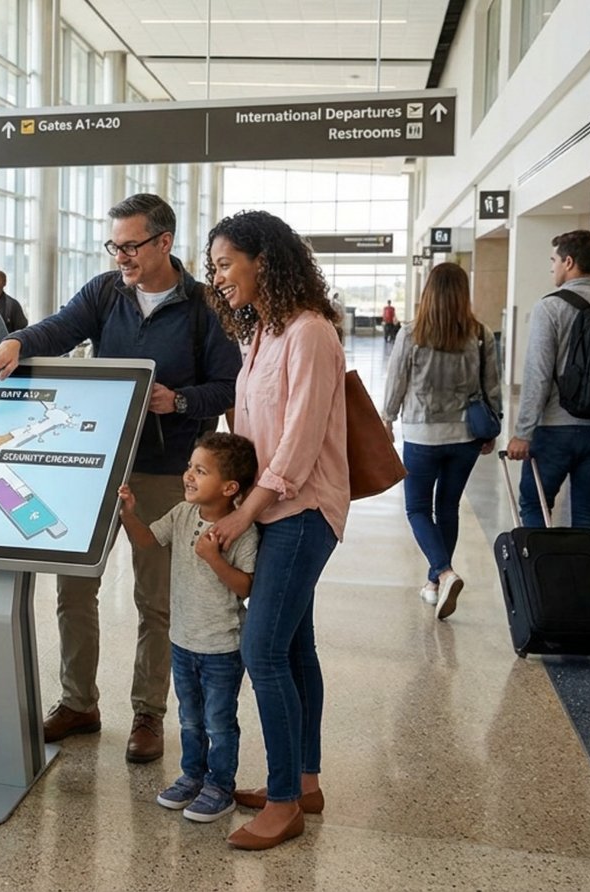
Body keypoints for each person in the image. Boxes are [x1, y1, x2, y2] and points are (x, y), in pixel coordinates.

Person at [0, 193, 241, 764]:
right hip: (99, 464)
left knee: (156, 598)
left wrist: (178, 401)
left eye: (130, 245)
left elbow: (230, 386)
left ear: (164, 243)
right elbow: (58, 328)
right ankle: (79, 702)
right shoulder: (106, 292)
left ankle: (148, 712)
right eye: (115, 245)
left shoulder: (203, 307)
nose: (121, 256)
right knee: (75, 589)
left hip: (168, 473)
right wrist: (16, 342)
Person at [203, 210, 348, 851]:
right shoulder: (262, 331)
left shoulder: (310, 332)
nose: (219, 277)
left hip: (300, 513)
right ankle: (305, 781)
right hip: (272, 509)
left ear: (263, 260)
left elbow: (297, 443)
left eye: (226, 263)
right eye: (213, 267)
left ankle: (285, 800)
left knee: (262, 652)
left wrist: (243, 512)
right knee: (293, 651)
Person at [118, 432, 259, 825]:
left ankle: (220, 786)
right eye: (189, 467)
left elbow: (246, 587)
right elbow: (148, 541)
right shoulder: (181, 514)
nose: (189, 476)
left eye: (201, 471)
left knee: (218, 721)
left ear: (230, 488)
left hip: (221, 649)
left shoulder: (241, 531)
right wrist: (129, 513)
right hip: (182, 642)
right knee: (189, 719)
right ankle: (192, 776)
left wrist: (214, 558)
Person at [382, 262, 502, 620]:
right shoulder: (480, 334)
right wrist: (491, 429)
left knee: (417, 509)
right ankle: (434, 584)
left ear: (427, 292)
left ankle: (444, 572)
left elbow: (396, 381)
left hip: (422, 435)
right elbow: (492, 384)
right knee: (447, 508)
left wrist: (387, 418)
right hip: (465, 435)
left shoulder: (412, 332)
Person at [505, 230, 590, 541]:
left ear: (569, 261)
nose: (552, 267)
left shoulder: (550, 307)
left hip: (556, 427)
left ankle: (542, 583)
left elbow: (538, 373)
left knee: (535, 503)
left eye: (554, 260)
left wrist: (523, 432)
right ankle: (587, 586)